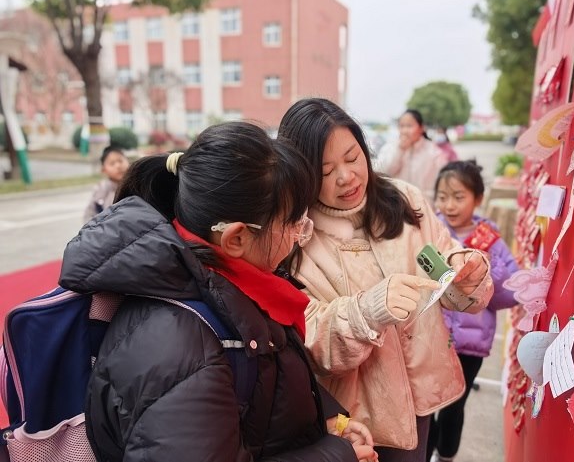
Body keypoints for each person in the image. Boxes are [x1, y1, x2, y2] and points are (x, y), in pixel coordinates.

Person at [59, 122, 377, 462]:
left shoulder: (232, 280)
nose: (301, 234)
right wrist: (335, 456)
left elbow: (265, 388)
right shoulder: (179, 346)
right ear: (236, 238)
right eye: (293, 223)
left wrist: (325, 422)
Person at [277, 98, 494, 462]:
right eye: (326, 171)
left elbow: (446, 265)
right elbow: (310, 341)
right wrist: (368, 311)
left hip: (423, 393)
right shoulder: (295, 237)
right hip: (357, 418)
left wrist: (466, 276)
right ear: (301, 175)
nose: (346, 177)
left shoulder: (405, 199)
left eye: (352, 157)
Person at [426, 160, 519, 462]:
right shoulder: (430, 231)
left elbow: (511, 293)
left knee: (453, 408)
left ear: (478, 198)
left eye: (458, 196)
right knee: (424, 406)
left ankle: (446, 456)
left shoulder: (490, 240)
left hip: (469, 347)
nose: (449, 205)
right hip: (430, 339)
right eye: (442, 197)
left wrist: (488, 265)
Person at [378, 109, 448, 202]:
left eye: (409, 126)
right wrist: (400, 150)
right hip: (397, 204)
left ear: (421, 128)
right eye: (402, 126)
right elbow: (383, 173)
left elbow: (442, 183)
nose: (405, 131)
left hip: (425, 204)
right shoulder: (391, 147)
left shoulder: (434, 153)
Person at [83, 145, 129, 222]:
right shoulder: (101, 190)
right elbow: (89, 216)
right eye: (112, 163)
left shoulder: (136, 186)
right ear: (103, 170)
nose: (118, 166)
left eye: (120, 161)